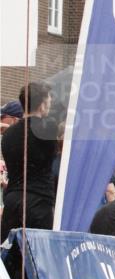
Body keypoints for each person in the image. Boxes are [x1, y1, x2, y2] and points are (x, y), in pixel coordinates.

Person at [1, 82, 58, 241]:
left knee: (9, 258)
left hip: (12, 202)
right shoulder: (48, 129)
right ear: (41, 105)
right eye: (48, 101)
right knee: (36, 259)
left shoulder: (8, 134)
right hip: (37, 204)